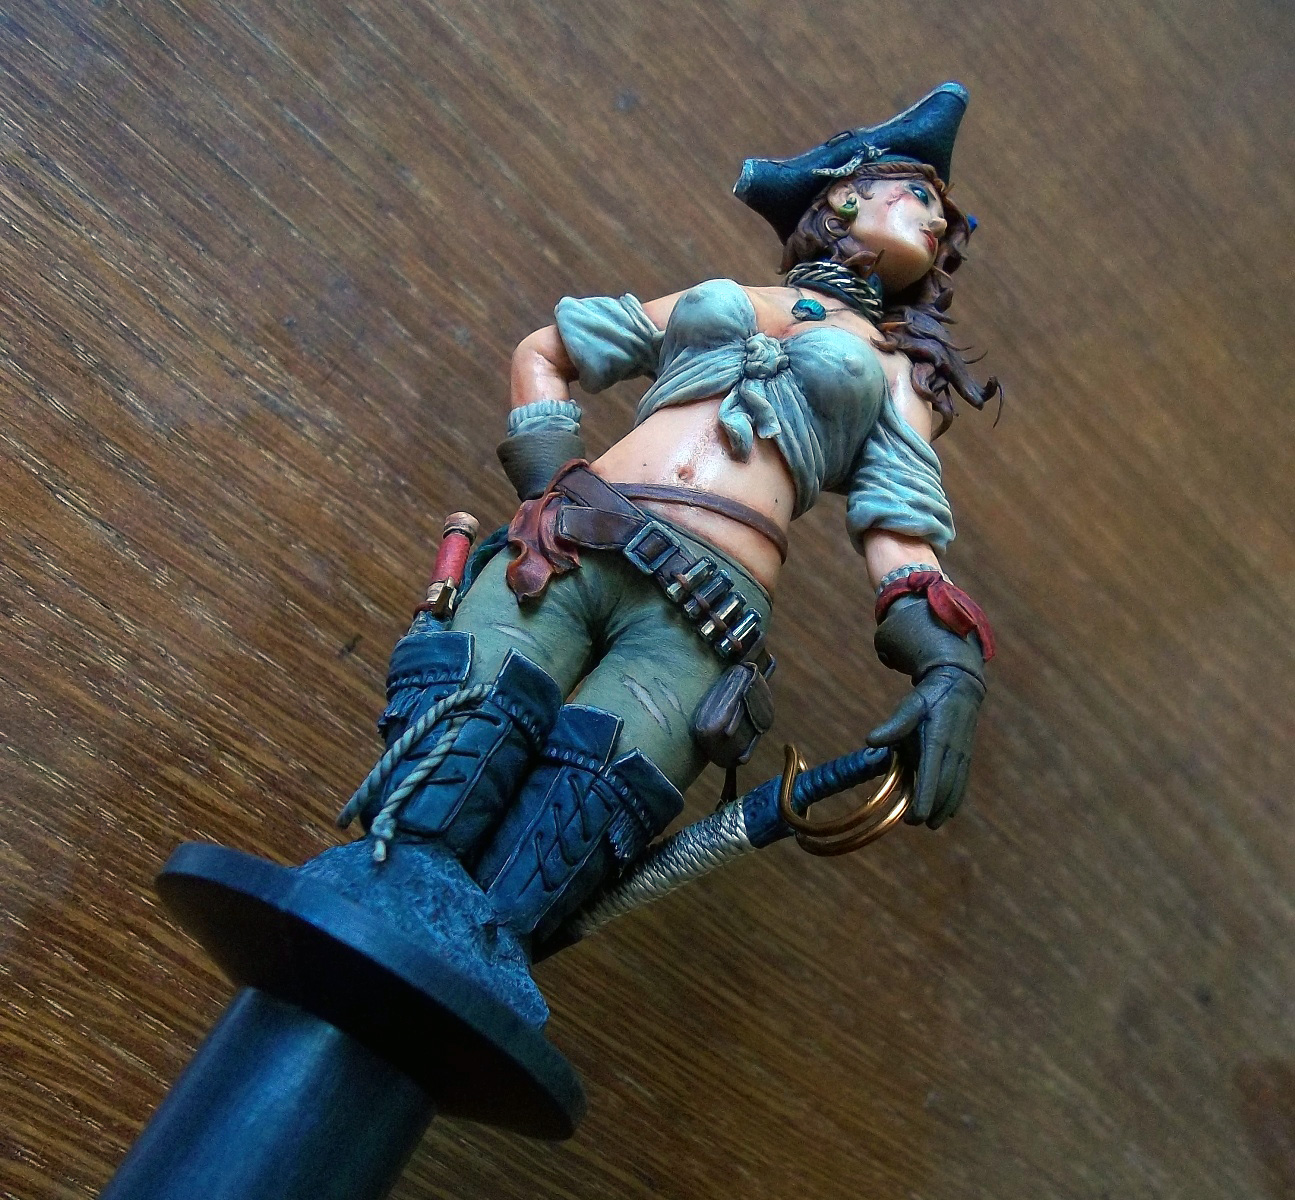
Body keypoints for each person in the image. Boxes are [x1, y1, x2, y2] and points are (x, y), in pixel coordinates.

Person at [346, 82, 999, 956]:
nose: (937, 218)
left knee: (570, 821)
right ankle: (358, 922)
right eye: (918, 193)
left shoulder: (896, 376)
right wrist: (546, 487)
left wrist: (948, 661)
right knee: (450, 752)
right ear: (845, 195)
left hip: (701, 615)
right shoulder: (723, 294)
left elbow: (901, 531)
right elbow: (546, 352)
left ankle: (462, 974)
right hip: (568, 544)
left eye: (939, 212)